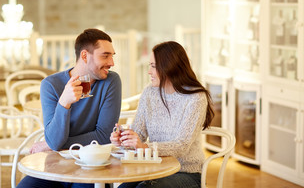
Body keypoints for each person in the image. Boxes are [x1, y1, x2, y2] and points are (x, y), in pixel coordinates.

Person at [17, 28, 122, 188]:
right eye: (105, 56)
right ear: (85, 56)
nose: (111, 63)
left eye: (112, 56)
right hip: (55, 166)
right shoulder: (51, 85)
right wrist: (64, 103)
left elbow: (103, 135)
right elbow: (54, 140)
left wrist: (52, 145)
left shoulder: (110, 81)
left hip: (92, 167)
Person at [110, 41, 214, 188]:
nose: (149, 71)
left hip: (186, 173)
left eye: (153, 66)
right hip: (154, 168)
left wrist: (144, 147)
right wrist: (126, 139)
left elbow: (181, 146)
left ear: (169, 66)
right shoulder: (149, 92)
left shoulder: (195, 97)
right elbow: (139, 133)